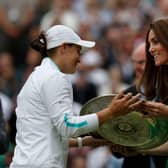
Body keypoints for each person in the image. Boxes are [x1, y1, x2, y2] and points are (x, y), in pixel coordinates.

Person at [9, 25, 142, 168]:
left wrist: (84, 141)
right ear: (63, 47)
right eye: (78, 51)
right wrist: (111, 112)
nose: (79, 59)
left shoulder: (36, 76)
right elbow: (67, 126)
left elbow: (44, 135)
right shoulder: (55, 78)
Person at [131, 18, 168, 168]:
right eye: (149, 44)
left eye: (156, 41)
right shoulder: (162, 84)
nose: (150, 49)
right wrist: (138, 148)